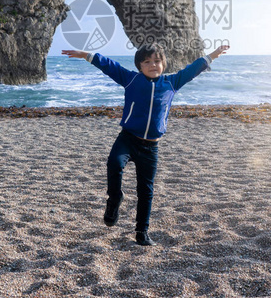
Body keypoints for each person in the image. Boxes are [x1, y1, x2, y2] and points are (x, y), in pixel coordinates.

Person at [62, 43, 229, 246]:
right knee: (114, 164)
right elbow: (109, 65)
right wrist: (87, 55)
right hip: (127, 139)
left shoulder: (172, 82)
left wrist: (213, 55)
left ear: (164, 64)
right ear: (139, 65)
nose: (153, 65)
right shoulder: (131, 79)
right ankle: (114, 199)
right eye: (147, 61)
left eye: (157, 61)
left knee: (146, 190)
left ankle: (142, 232)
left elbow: (193, 69)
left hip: (151, 147)